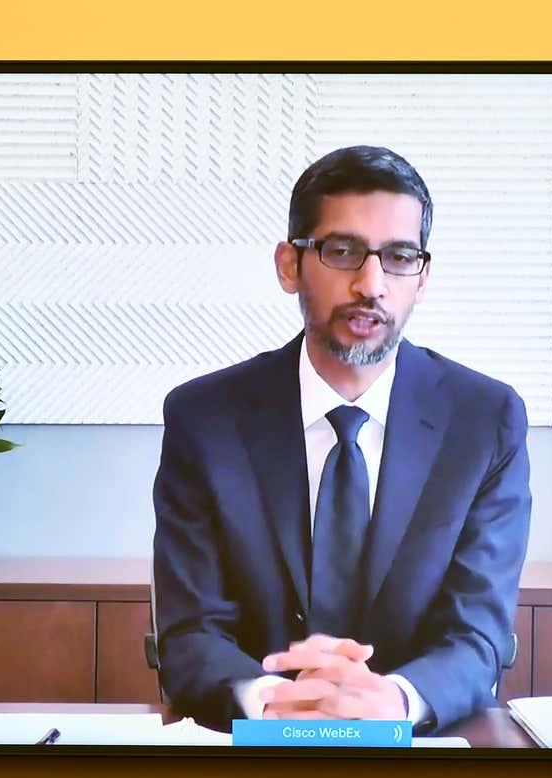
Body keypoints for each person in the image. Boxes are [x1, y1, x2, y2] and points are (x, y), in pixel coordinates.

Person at [152, 145, 531, 733]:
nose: (371, 284)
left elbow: (477, 634)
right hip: (249, 754)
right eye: (343, 250)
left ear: (422, 277)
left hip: (419, 761)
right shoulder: (204, 418)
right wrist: (276, 701)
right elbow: (190, 631)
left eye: (399, 256)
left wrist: (392, 702)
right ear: (289, 265)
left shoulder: (484, 420)